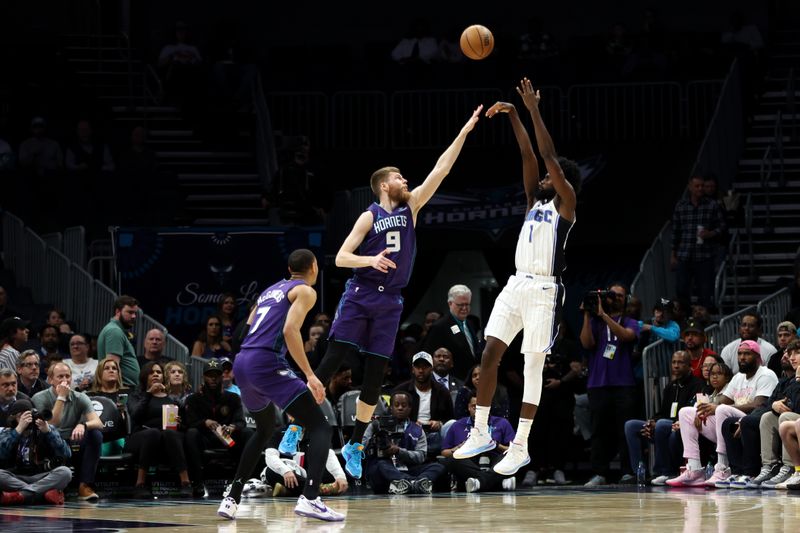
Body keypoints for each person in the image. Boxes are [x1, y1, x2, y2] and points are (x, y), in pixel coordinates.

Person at [305, 106, 482, 480]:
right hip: (361, 291)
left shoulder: (411, 207)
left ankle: (354, 445)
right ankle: (295, 428)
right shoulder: (369, 215)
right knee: (333, 359)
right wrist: (370, 262)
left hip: (390, 301)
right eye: (400, 177)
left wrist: (465, 130)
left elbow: (441, 169)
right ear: (385, 185)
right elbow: (339, 257)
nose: (407, 180)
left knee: (374, 376)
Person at [453, 80, 579, 481]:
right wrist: (512, 116)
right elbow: (528, 154)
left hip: (544, 288)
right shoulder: (532, 202)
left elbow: (547, 156)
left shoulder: (566, 205)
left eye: (549, 176)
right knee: (489, 354)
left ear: (560, 181)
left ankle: (521, 444)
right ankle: (480, 431)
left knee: (532, 366)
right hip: (515, 284)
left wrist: (533, 109)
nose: (542, 176)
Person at [217, 249, 344, 522]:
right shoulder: (306, 291)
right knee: (320, 425)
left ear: (289, 269)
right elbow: (289, 330)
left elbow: (244, 328)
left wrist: (248, 359)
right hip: (266, 361)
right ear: (313, 267)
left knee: (263, 430)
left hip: (243, 362)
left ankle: (231, 499)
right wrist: (310, 374)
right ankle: (311, 498)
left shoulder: (269, 291)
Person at [666, 341, 778, 487]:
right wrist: (700, 411)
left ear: (757, 357)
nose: (742, 357)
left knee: (721, 409)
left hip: (752, 422)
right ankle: (694, 469)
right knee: (686, 412)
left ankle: (722, 467)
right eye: (740, 354)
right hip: (728, 424)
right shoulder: (738, 377)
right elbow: (721, 400)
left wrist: (716, 407)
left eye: (747, 354)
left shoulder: (766, 374)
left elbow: (759, 404)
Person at [578, 283, 640, 486]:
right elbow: (587, 344)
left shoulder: (630, 321)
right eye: (611, 294)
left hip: (623, 383)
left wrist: (603, 315)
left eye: (619, 295)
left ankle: (627, 471)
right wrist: (588, 315)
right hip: (598, 383)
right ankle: (599, 472)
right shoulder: (595, 321)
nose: (615, 298)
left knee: (625, 429)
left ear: (625, 299)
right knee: (599, 430)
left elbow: (626, 336)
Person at [623, 350, 704, 485]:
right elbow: (662, 412)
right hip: (664, 425)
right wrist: (651, 422)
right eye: (673, 362)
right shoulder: (670, 386)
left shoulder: (697, 385)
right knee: (630, 425)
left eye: (680, 363)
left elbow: (689, 414)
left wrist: (658, 423)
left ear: (689, 365)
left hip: (681, 427)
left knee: (661, 424)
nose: (676, 366)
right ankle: (639, 473)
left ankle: (663, 472)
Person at [31, 362, 104, 501]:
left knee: (95, 434)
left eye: (67, 376)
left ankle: (84, 486)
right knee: (42, 435)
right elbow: (52, 424)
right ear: (50, 380)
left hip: (72, 440)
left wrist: (83, 424)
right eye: (60, 376)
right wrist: (61, 398)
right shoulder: (39, 398)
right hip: (49, 440)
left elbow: (98, 423)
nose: (65, 380)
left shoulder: (80, 397)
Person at [183, 358, 251, 497]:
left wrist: (232, 427)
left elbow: (241, 422)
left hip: (227, 437)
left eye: (216, 375)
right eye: (209, 375)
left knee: (247, 433)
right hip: (205, 438)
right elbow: (189, 423)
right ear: (203, 377)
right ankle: (198, 482)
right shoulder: (193, 399)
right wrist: (204, 422)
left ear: (222, 376)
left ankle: (243, 481)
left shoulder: (233, 398)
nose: (213, 379)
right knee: (191, 433)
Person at [126, 361, 193, 499]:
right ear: (145, 376)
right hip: (140, 439)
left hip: (166, 441)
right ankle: (140, 484)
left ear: (163, 376)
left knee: (171, 433)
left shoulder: (171, 399)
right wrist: (149, 394)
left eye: (159, 372)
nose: (156, 374)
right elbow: (135, 416)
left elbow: (185, 425)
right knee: (153, 433)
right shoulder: (136, 396)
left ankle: (186, 482)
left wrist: (179, 424)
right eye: (152, 372)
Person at [362, 390, 446, 494]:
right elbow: (361, 447)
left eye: (404, 405)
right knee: (380, 465)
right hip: (385, 469)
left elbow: (421, 456)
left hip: (409, 468)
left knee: (438, 467)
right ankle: (414, 483)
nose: (400, 408)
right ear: (391, 407)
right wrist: (373, 442)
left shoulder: (417, 430)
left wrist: (399, 451)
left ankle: (409, 483)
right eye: (396, 405)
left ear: (410, 408)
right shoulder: (376, 425)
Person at [670, 175, 727, 311]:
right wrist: (673, 254)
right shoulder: (682, 206)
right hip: (684, 254)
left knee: (705, 291)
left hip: (704, 255)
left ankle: (703, 320)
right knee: (682, 289)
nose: (700, 189)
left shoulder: (712, 205)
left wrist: (711, 233)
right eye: (697, 186)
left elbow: (723, 226)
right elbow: (675, 231)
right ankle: (684, 318)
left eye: (702, 186)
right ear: (690, 187)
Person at [0, 399, 72, 505]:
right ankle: (42, 495)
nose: (27, 419)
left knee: (65, 472)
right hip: (17, 476)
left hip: (42, 476)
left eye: (29, 415)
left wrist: (48, 432)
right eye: (22, 416)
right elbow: (2, 453)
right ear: (14, 418)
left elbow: (66, 454)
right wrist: (18, 430)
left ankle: (22, 496)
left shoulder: (45, 429)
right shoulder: (8, 432)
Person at [441, 393, 517, 492]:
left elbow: (514, 450)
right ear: (469, 407)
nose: (478, 411)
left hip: (494, 461)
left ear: (489, 407)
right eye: (474, 407)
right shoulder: (457, 425)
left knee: (509, 455)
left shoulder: (502, 423)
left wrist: (496, 444)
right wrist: (459, 447)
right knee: (453, 458)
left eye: (482, 407)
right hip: (469, 463)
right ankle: (498, 483)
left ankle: (478, 483)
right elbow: (444, 452)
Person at [392, 351, 454, 457]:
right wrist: (412, 424)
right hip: (409, 432)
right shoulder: (401, 390)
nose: (421, 371)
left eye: (425, 367)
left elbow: (450, 417)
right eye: (417, 367)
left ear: (432, 369)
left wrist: (439, 423)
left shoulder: (442, 391)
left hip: (434, 433)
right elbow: (393, 415)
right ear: (412, 369)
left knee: (452, 423)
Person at [421, 285, 480, 381]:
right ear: (450, 303)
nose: (464, 308)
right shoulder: (439, 326)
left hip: (471, 380)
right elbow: (428, 356)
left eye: (467, 304)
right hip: (450, 381)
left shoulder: (470, 323)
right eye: (460, 305)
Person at [96, 295, 141, 388]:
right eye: (130, 312)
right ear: (118, 312)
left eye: (135, 313)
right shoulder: (114, 331)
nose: (133, 316)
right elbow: (111, 368)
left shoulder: (116, 330)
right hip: (121, 389)